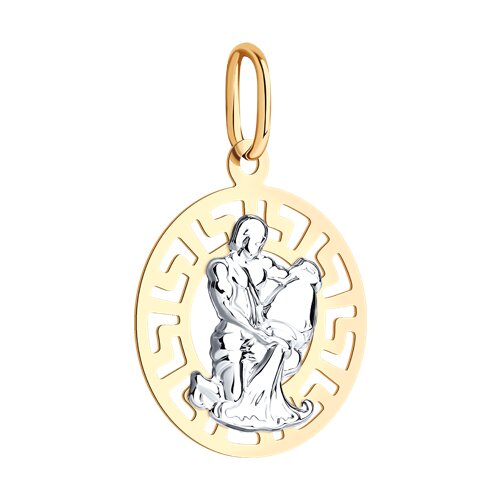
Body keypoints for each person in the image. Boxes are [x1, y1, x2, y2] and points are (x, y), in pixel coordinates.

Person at [189, 215, 321, 431]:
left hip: (259, 337)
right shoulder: (220, 267)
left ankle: (226, 387)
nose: (260, 247)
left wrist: (306, 274)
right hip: (231, 339)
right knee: (235, 399)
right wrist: (256, 332)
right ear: (245, 238)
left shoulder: (263, 264)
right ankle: (206, 388)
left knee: (285, 357)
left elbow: (287, 278)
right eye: (258, 241)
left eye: (262, 242)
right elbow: (225, 308)